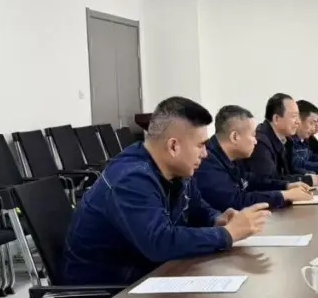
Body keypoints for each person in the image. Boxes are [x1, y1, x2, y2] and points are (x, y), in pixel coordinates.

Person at [62, 96, 269, 285]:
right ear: (173, 147)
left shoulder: (178, 171)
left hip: (144, 277)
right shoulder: (130, 179)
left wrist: (218, 219)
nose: (205, 154)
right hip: (105, 296)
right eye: (200, 145)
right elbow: (159, 242)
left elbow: (197, 209)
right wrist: (227, 234)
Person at [195, 105, 314, 212]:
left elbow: (253, 182)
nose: (256, 141)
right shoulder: (206, 162)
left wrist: (285, 186)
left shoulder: (233, 157)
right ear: (235, 137)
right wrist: (284, 195)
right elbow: (236, 202)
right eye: (253, 135)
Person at [250, 93, 318, 188]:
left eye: (298, 117)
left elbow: (290, 171)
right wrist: (312, 180)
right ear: (276, 119)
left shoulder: (286, 141)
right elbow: (267, 182)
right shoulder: (261, 143)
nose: (298, 122)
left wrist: (312, 176)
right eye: (294, 116)